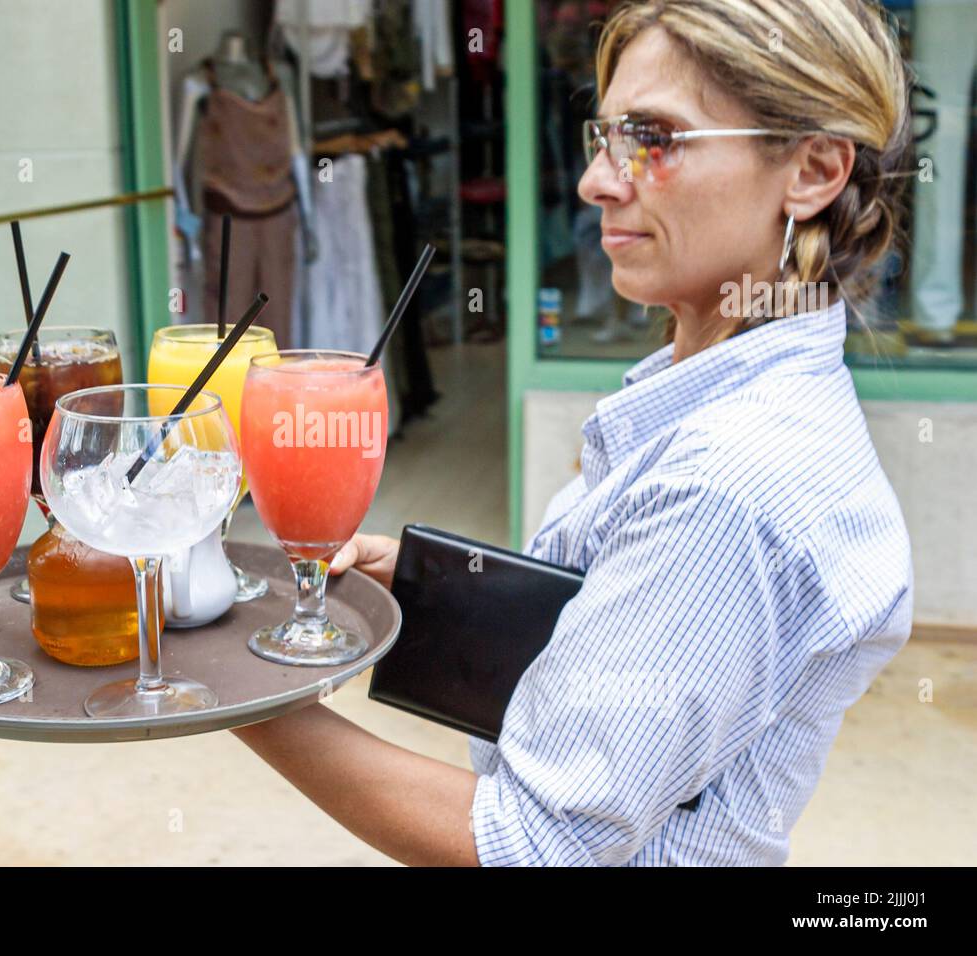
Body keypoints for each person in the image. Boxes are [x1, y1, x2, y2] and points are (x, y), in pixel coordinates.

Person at [228, 0, 915, 867]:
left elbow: (535, 844)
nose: (596, 180)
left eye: (654, 138)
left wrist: (236, 690)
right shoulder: (725, 407)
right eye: (605, 136)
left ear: (813, 170)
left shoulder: (726, 484)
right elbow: (631, 632)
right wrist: (437, 587)